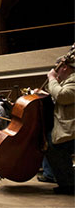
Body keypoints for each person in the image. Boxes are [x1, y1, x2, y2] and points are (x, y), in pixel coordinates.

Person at [44, 55, 75, 195]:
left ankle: (68, 183)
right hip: (67, 126)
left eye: (57, 70)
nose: (55, 73)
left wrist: (51, 79)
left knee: (54, 146)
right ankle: (66, 182)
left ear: (64, 67)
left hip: (71, 129)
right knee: (51, 144)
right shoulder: (67, 80)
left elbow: (62, 96)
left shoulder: (73, 79)